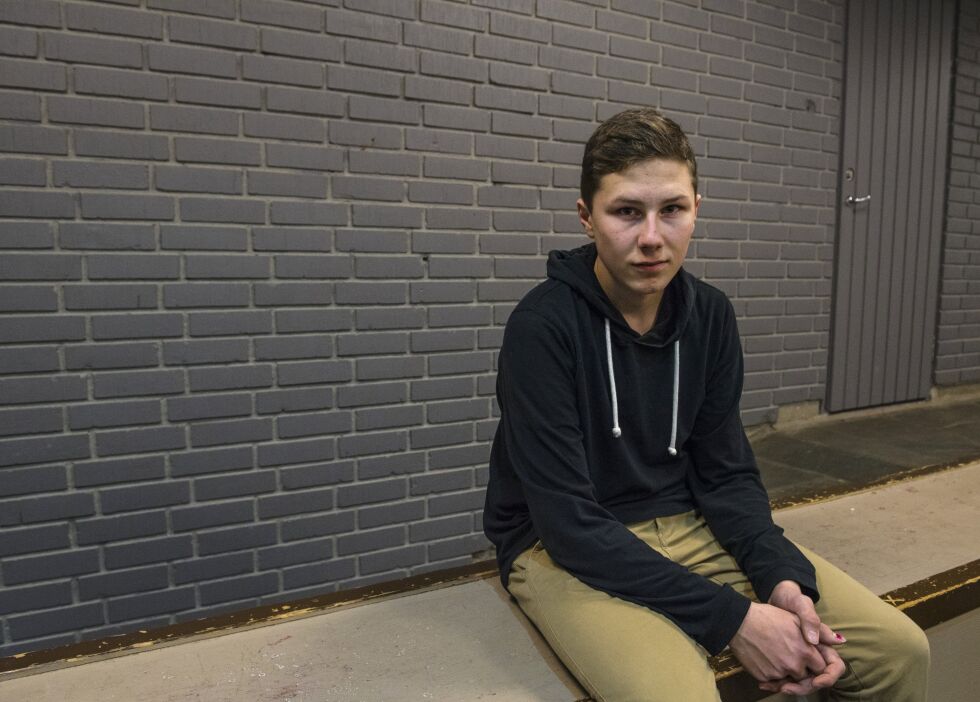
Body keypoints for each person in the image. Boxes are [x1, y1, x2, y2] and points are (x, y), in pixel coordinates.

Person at [483, 108, 929, 701]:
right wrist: (736, 621)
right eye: (626, 212)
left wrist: (783, 578)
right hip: (559, 547)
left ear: (696, 207)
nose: (651, 237)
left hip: (689, 522)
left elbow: (727, 475)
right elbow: (568, 522)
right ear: (587, 218)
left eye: (672, 209)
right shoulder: (542, 328)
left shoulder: (711, 315)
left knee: (901, 652)